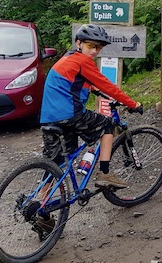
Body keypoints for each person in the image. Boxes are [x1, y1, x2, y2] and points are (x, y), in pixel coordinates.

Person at [40, 23, 143, 190]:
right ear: (79, 43)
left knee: (56, 162)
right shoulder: (83, 61)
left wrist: (93, 89)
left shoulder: (68, 58)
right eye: (90, 46)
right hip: (70, 114)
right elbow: (108, 86)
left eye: (99, 48)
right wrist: (132, 104)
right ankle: (105, 173)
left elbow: (71, 81)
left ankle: (41, 205)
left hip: (48, 117)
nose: (94, 51)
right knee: (108, 126)